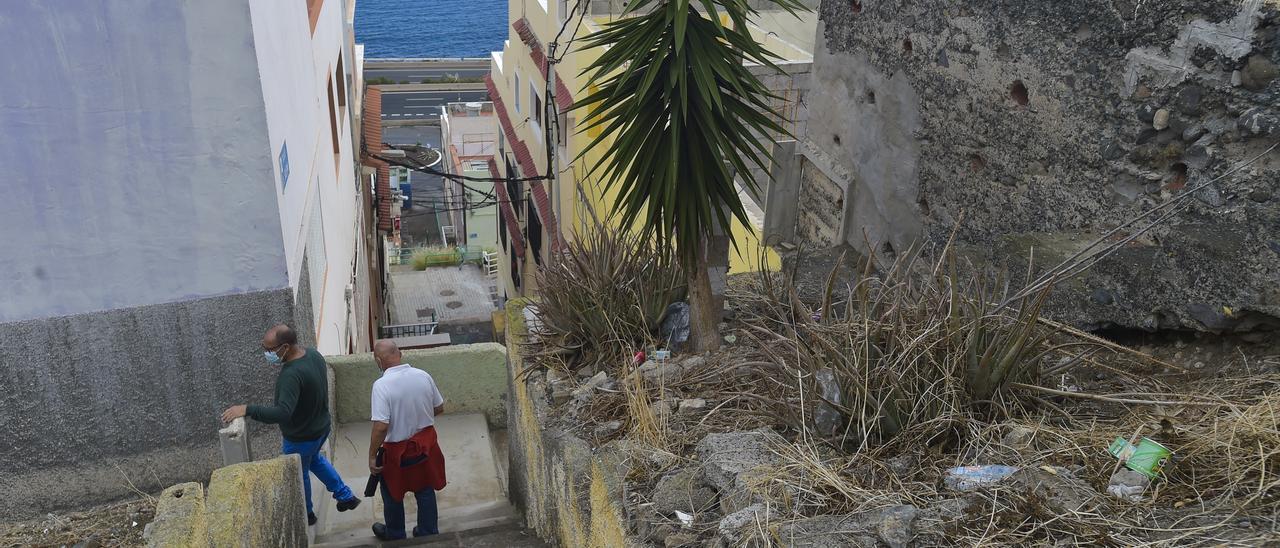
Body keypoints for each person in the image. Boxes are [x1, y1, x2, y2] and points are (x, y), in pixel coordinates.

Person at [221, 324, 360, 526]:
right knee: (315, 461)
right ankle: (345, 496)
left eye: (270, 349)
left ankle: (307, 514)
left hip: (301, 437)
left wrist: (248, 409)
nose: (267, 353)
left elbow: (282, 413)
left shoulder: (290, 375)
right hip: (320, 428)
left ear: (285, 347)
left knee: (299, 474)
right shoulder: (313, 355)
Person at [368, 339, 447, 541]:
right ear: (400, 353)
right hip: (425, 447)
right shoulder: (423, 376)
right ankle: (427, 532)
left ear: (378, 360)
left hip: (397, 453)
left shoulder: (381, 386)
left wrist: (371, 456)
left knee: (393, 493)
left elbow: (381, 427)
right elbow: (439, 408)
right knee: (425, 489)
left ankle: (395, 535)